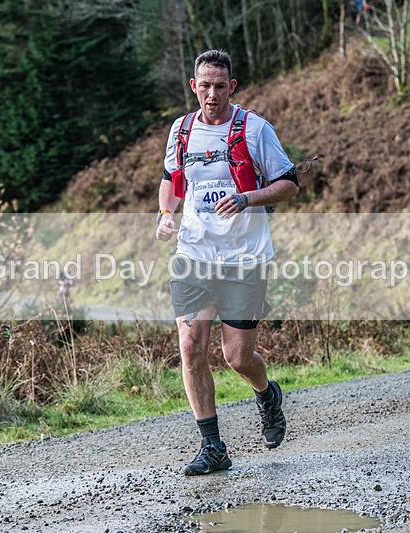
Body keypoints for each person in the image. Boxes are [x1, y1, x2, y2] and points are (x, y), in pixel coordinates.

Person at [155, 50, 299, 476]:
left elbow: (289, 183)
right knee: (190, 346)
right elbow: (170, 180)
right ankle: (212, 446)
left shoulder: (254, 130)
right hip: (194, 256)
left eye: (220, 86)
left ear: (231, 87)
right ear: (193, 86)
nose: (212, 94)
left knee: (237, 357)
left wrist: (246, 198)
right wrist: (166, 215)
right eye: (205, 85)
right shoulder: (181, 130)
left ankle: (266, 391)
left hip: (244, 258)